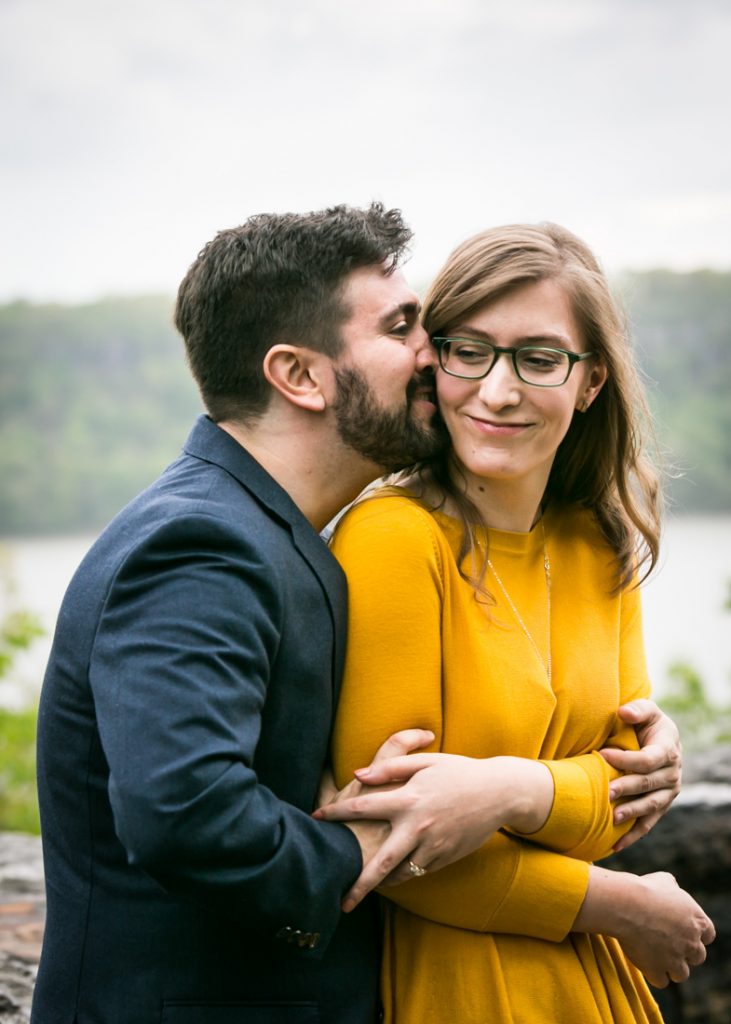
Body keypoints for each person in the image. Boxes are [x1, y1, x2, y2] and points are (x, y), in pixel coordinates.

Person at [33, 204, 685, 1024]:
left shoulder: (274, 535)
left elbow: (596, 786)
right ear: (300, 375)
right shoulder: (200, 543)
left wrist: (530, 787)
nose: (430, 356)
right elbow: (184, 813)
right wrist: (380, 846)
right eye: (404, 328)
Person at [321, 222, 714, 1023]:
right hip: (454, 984)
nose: (497, 391)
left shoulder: (597, 542)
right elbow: (391, 846)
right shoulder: (394, 537)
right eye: (470, 351)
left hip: (594, 991)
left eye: (538, 359)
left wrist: (504, 789)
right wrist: (620, 906)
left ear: (591, 381)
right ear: (434, 360)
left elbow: (624, 812)